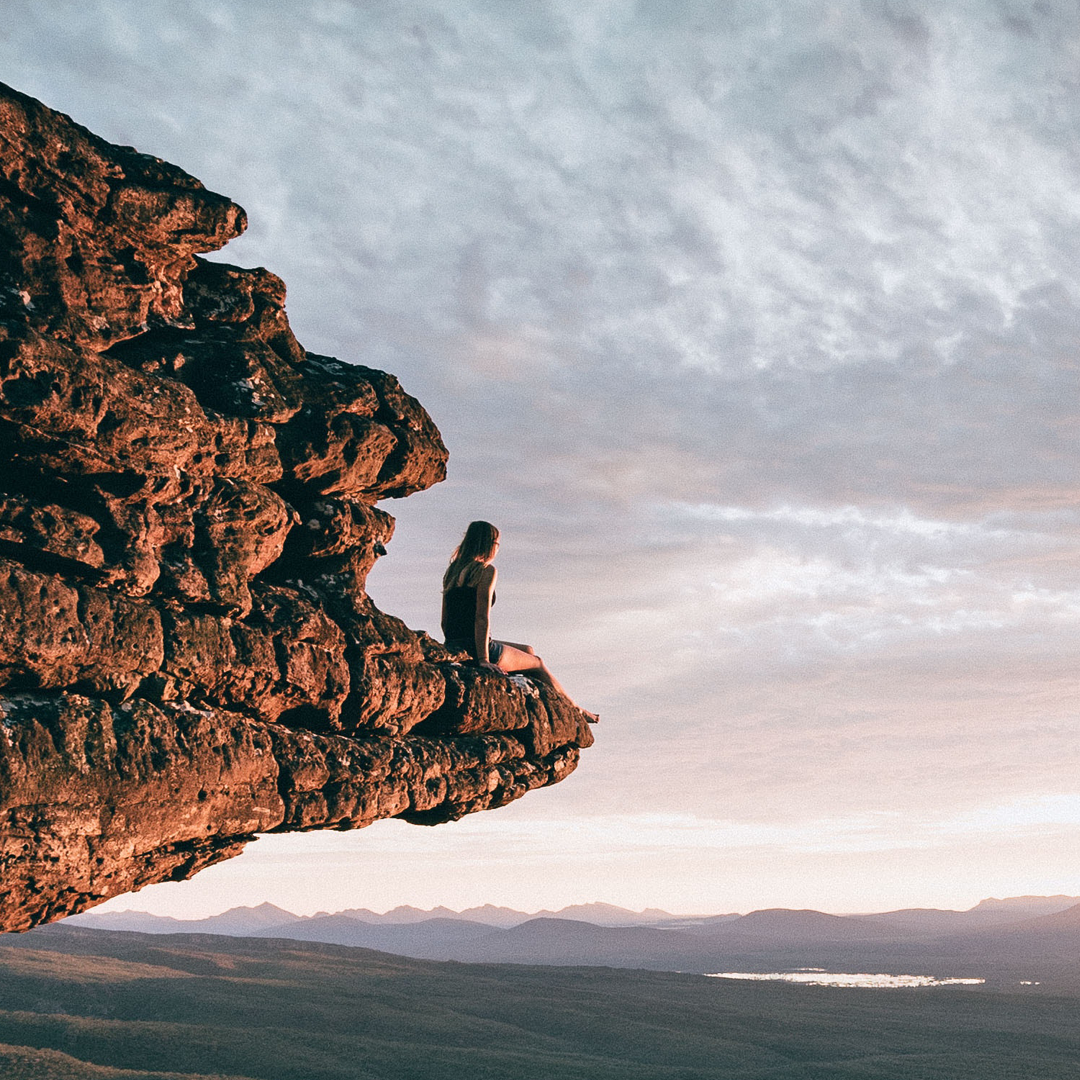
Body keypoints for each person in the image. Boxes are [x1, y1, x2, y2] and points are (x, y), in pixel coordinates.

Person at [441, 520, 597, 720]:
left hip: (454, 643)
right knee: (538, 663)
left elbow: (444, 621)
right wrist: (483, 660)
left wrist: (454, 648)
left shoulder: (452, 572)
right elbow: (481, 617)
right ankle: (576, 710)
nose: (498, 548)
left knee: (528, 651)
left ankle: (544, 701)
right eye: (497, 544)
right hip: (477, 647)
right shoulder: (486, 571)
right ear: (488, 545)